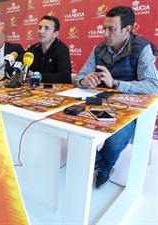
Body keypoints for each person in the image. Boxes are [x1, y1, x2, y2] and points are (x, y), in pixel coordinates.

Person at [73, 5, 158, 189]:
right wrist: (84, 81)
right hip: (101, 103)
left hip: (132, 109)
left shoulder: (142, 49)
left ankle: (103, 164)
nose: (105, 33)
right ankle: (99, 163)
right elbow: (79, 76)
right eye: (104, 28)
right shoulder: (98, 49)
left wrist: (116, 84)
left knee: (116, 138)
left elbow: (153, 85)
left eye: (111, 29)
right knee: (71, 121)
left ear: (127, 30)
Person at [25, 15, 72, 84]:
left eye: (46, 28)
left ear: (55, 34)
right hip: (37, 90)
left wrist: (40, 77)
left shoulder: (62, 49)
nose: (41, 31)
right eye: (40, 28)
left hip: (58, 91)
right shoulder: (32, 49)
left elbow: (65, 76)